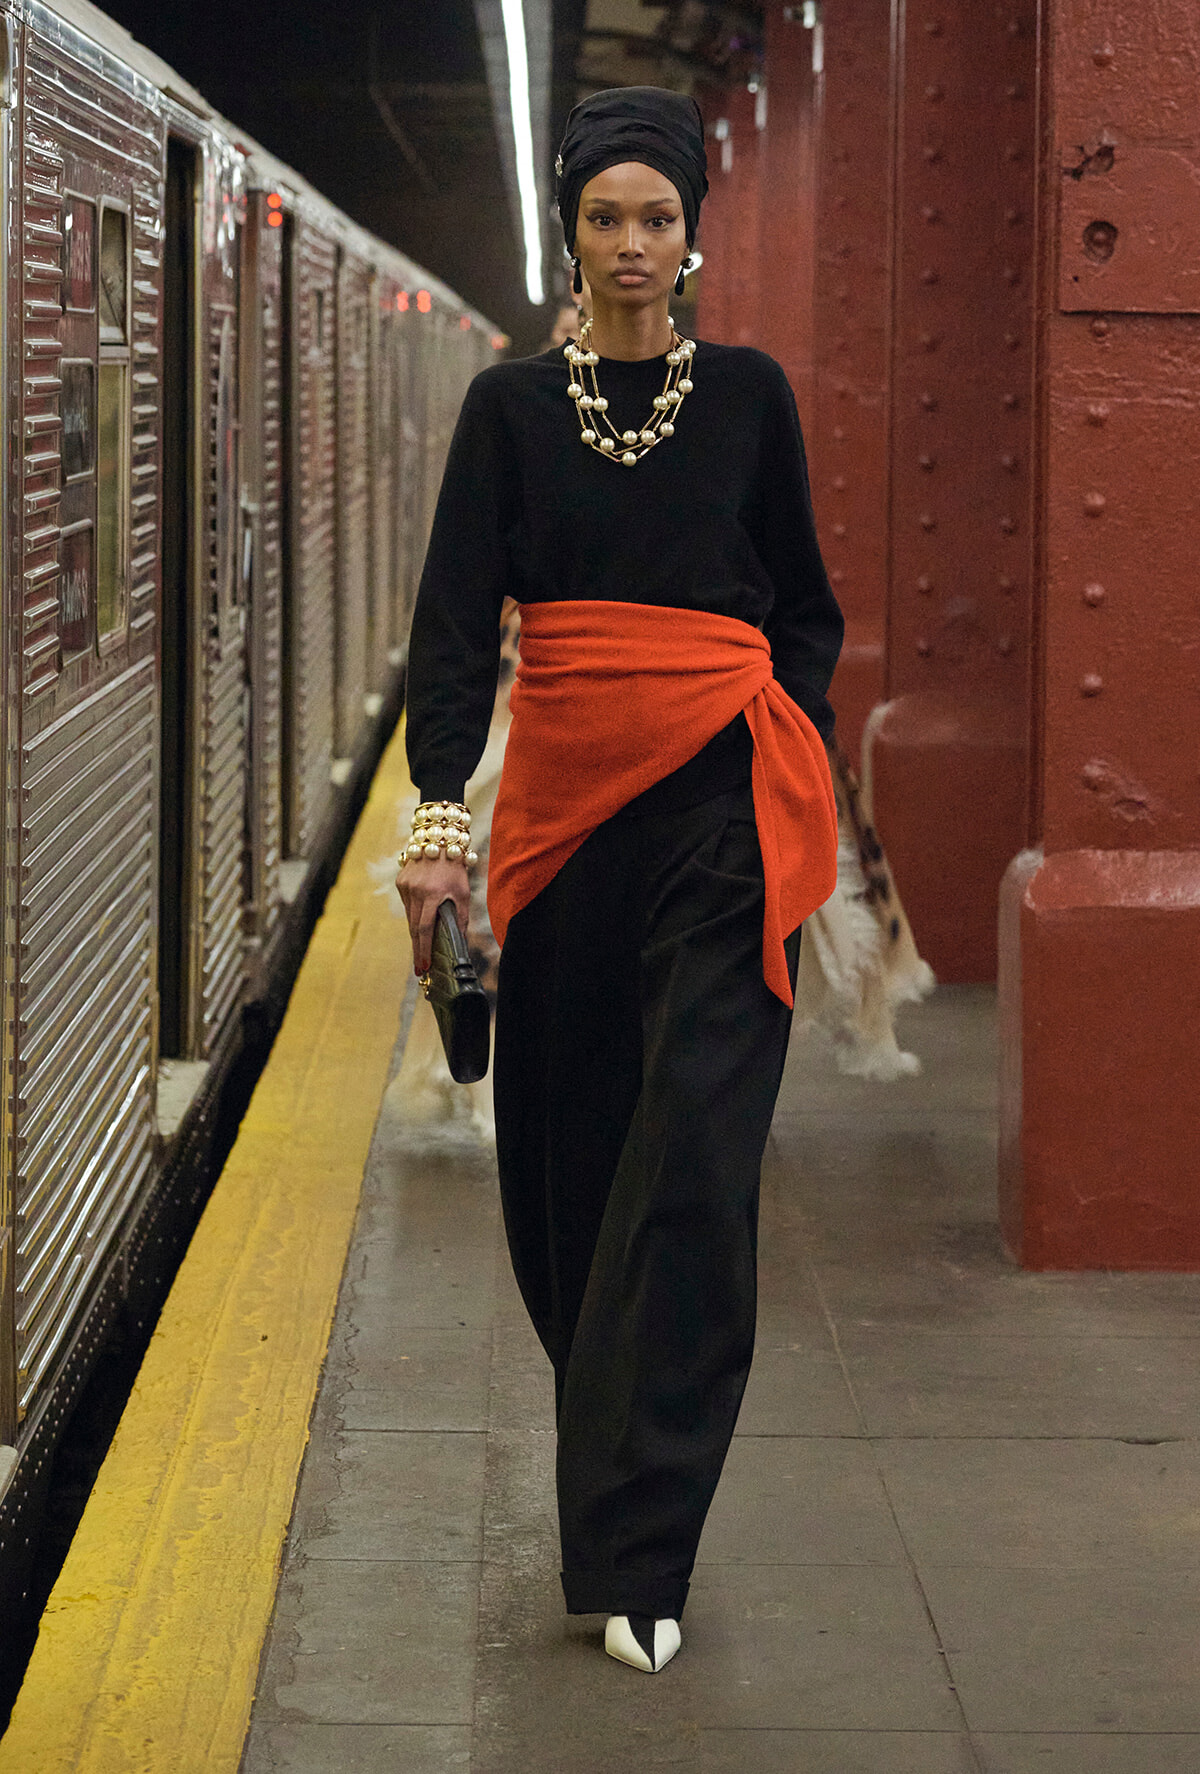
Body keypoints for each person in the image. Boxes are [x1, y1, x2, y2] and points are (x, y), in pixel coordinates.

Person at [397, 85, 844, 1675]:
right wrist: (440, 819)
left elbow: (806, 604)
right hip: (570, 828)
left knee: (698, 1159)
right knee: (569, 1168)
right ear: (572, 234)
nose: (635, 247)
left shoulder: (753, 399)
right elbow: (453, 633)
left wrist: (793, 749)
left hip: (727, 807)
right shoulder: (510, 415)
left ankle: (642, 1549)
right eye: (606, 218)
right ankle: (616, 1475)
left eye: (659, 217)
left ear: (695, 230)